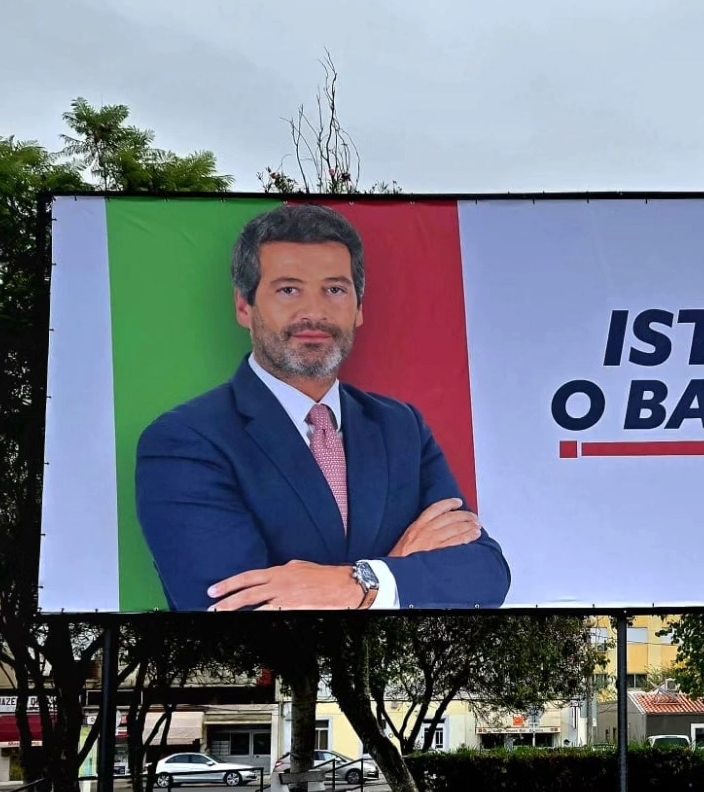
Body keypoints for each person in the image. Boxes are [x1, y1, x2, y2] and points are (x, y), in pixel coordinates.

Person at [135, 204, 510, 612]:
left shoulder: (401, 428)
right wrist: (394, 567)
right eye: (288, 289)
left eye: (334, 289)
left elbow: (484, 573)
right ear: (245, 307)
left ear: (359, 307)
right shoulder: (185, 441)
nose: (314, 313)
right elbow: (235, 608)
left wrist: (359, 582)